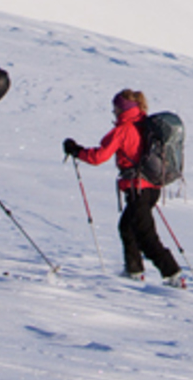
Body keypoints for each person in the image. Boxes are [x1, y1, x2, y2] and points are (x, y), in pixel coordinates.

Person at [63, 89, 185, 284]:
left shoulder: (123, 129)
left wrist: (77, 151)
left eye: (115, 109)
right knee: (127, 227)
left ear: (122, 109)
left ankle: (172, 274)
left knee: (146, 236)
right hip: (151, 188)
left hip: (138, 188)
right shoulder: (146, 124)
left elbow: (98, 157)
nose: (114, 112)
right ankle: (134, 270)